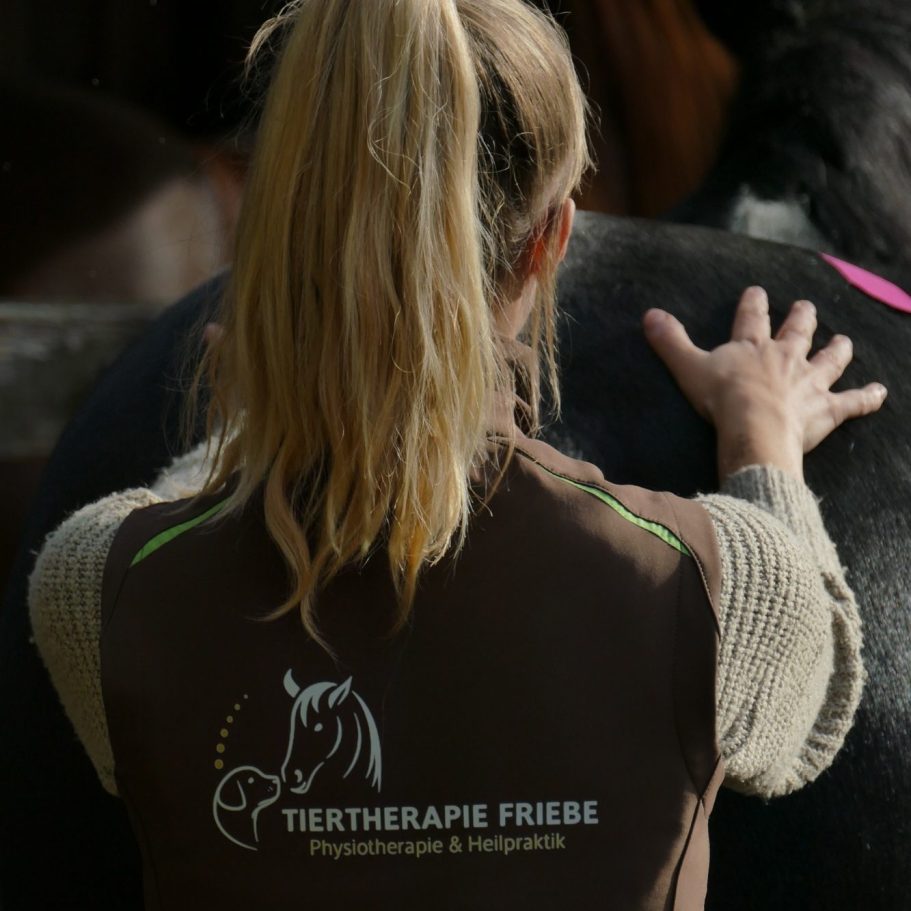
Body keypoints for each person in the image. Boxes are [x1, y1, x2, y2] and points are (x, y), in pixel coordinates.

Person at [27, 1, 886, 908]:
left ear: (273, 219)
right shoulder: (719, 586)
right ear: (553, 242)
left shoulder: (93, 588)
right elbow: (810, 698)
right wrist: (763, 440)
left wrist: (243, 431)